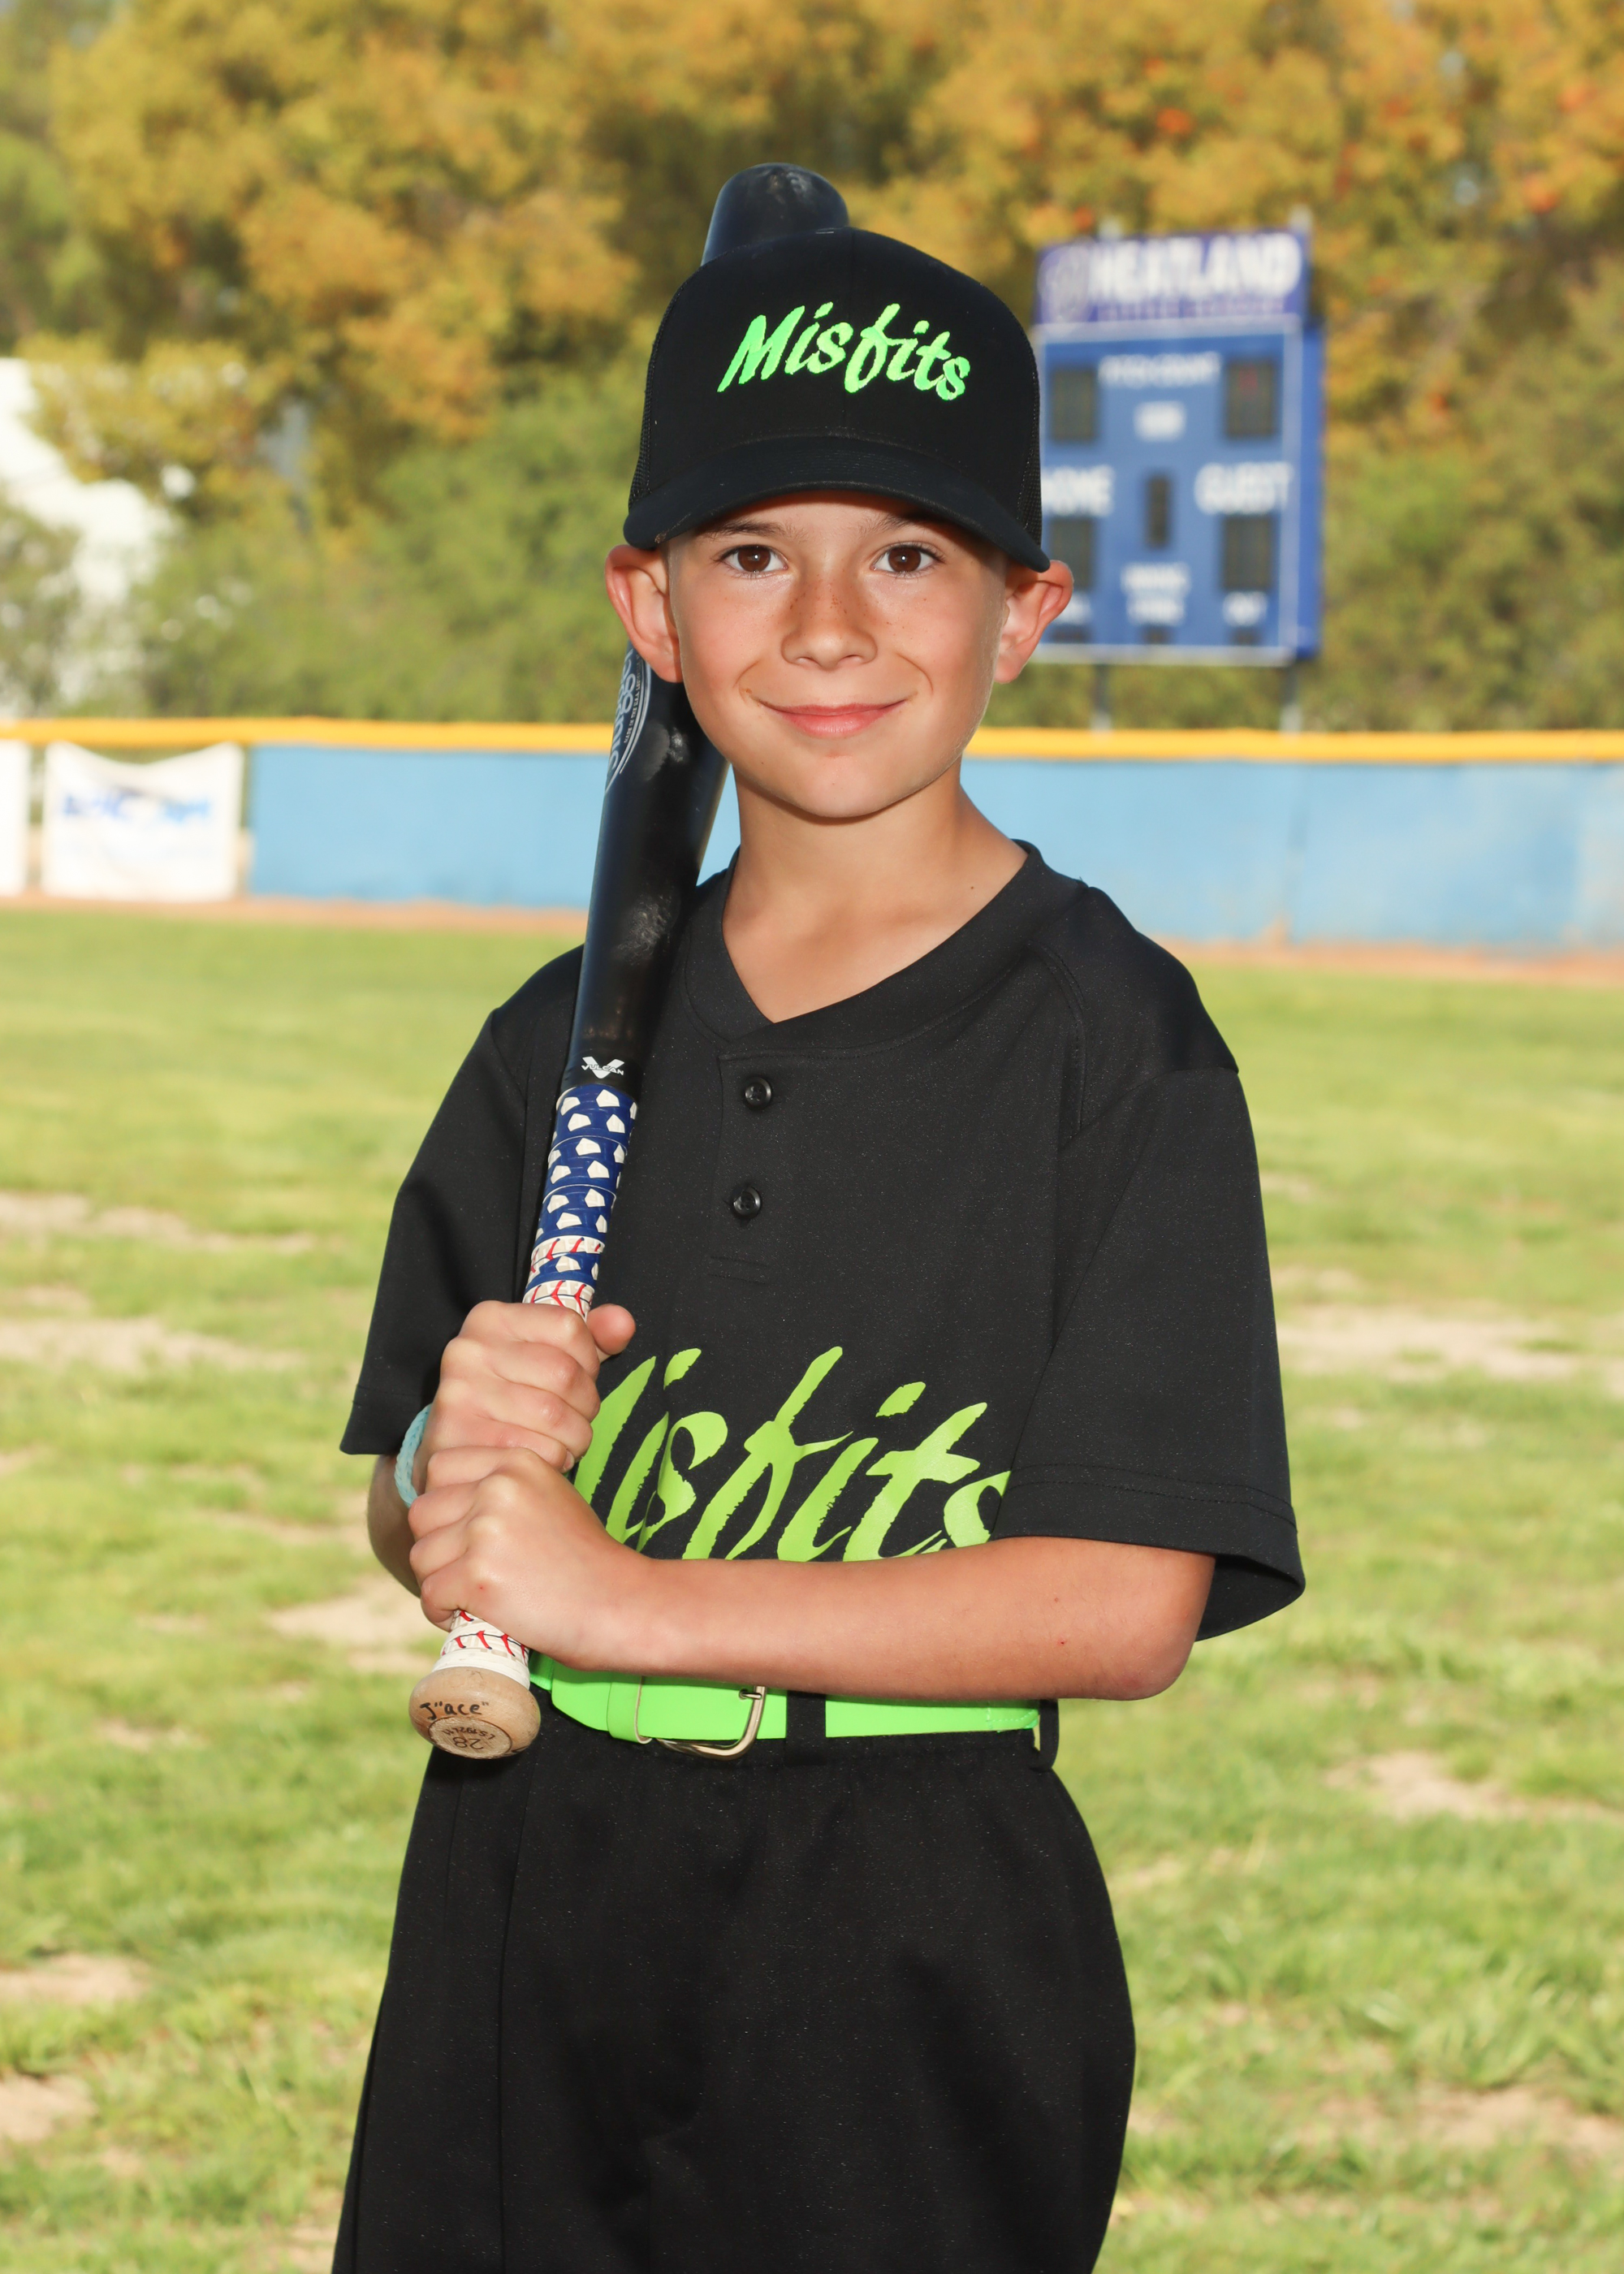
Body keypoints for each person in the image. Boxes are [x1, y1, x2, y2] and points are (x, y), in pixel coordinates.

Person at [334, 224, 1303, 2274]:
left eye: (911, 554)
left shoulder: (1113, 1042)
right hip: (525, 1888)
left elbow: (1125, 1601)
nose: (832, 622)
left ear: (1023, 612)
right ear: (651, 607)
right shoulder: (556, 1039)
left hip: (906, 1931)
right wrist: (446, 1459)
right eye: (755, 553)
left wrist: (627, 1596)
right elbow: (418, 1513)